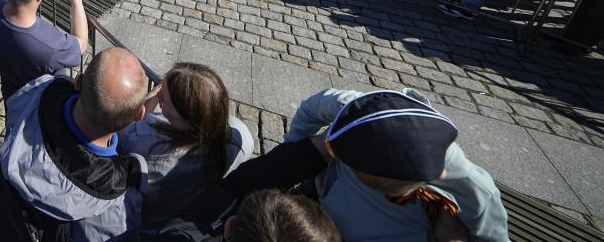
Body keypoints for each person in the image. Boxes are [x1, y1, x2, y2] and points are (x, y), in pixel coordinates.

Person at [158, 89, 508, 242]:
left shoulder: (473, 193)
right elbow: (317, 107)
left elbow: (236, 187)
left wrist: (306, 151)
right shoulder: (354, 116)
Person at [0, 47, 148, 241]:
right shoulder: (115, 202)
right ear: (139, 115)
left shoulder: (41, 91)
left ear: (78, 82)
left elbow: (13, 111)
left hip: (2, 210)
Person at [118, 63, 254, 235]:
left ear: (187, 120)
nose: (159, 95)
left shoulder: (147, 142)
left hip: (148, 226)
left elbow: (124, 126)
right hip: (184, 216)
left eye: (164, 99)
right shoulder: (241, 137)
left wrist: (152, 95)